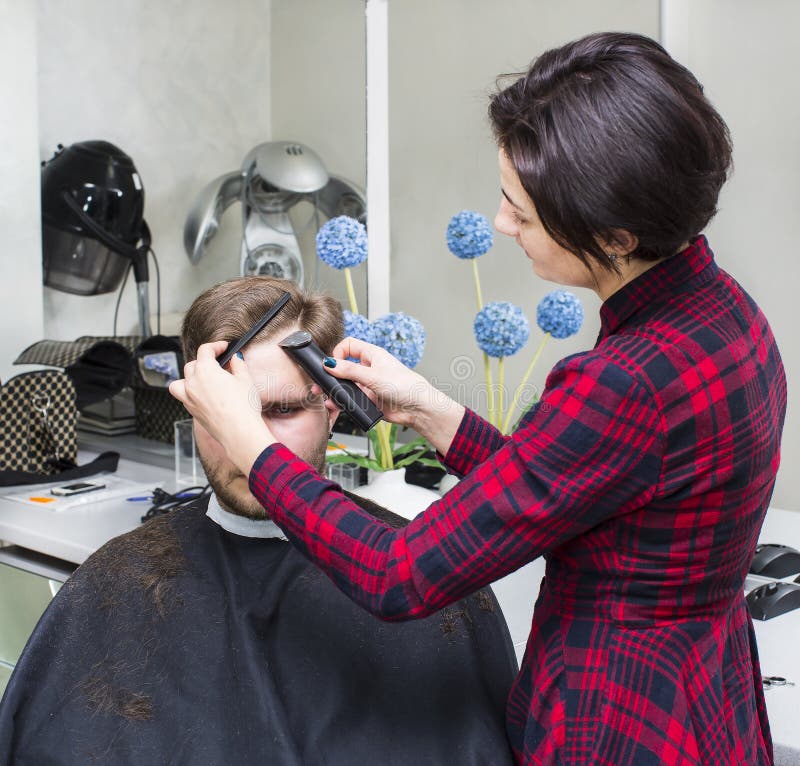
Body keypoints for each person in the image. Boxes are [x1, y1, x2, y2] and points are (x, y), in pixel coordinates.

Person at [170, 33, 787, 766]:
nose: (502, 224)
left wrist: (253, 446)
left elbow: (399, 575)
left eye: (523, 213)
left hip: (621, 714)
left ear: (616, 236)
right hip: (702, 681)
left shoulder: (627, 380)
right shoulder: (726, 313)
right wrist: (436, 413)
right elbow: (582, 484)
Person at [0, 277, 518, 765]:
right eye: (227, 414)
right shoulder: (119, 578)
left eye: (282, 411)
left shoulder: (420, 573)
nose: (248, 445)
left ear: (335, 409)